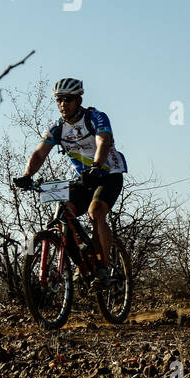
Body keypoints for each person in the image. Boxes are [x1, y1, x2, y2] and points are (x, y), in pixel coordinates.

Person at [14, 77, 127, 274]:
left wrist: (96, 166)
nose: (62, 104)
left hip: (108, 174)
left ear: (78, 101)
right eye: (58, 100)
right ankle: (82, 257)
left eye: (67, 99)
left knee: (96, 212)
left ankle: (103, 266)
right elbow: (40, 153)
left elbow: (103, 142)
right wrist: (26, 175)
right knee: (65, 213)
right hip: (83, 178)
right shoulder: (57, 128)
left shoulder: (96, 118)